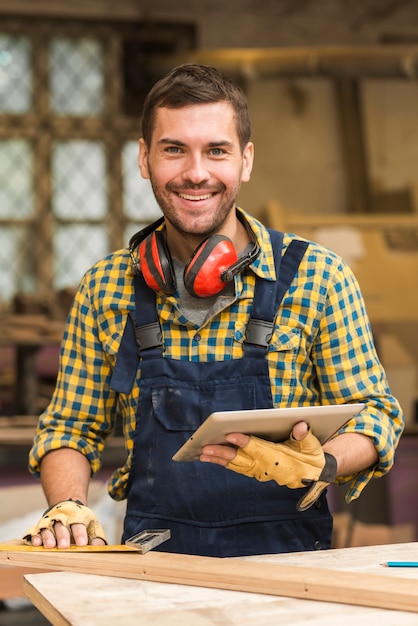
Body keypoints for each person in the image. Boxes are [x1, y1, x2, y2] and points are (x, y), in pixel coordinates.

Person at [24, 63, 403, 557]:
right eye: (174, 149)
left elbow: (377, 414)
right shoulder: (106, 287)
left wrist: (321, 463)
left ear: (245, 161)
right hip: (155, 569)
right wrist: (68, 505)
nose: (196, 172)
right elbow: (70, 427)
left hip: (288, 573)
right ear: (144, 158)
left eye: (217, 151)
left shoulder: (319, 277)